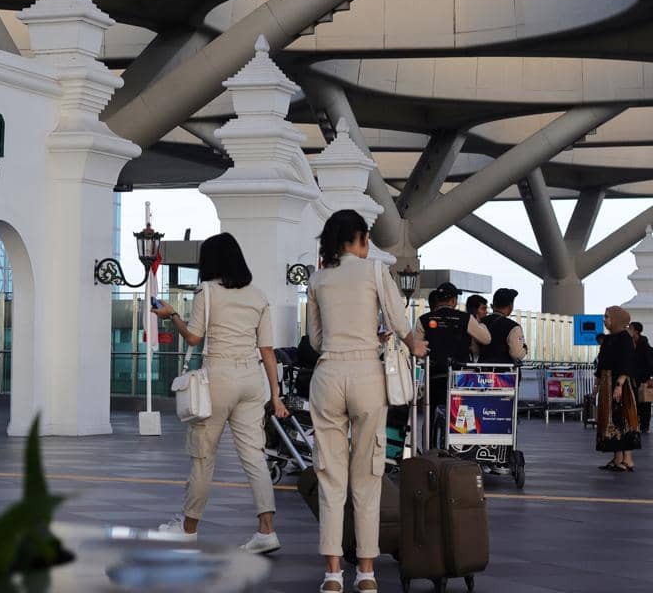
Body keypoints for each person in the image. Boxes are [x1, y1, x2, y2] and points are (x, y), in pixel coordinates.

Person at [306, 210, 428, 593]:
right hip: (366, 376)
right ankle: (366, 572)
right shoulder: (375, 271)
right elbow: (398, 320)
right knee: (368, 477)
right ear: (358, 238)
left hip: (327, 376)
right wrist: (415, 345)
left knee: (329, 477)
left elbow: (314, 339)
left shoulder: (318, 278)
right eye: (365, 240)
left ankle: (331, 573)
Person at [152, 232, 287, 555]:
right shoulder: (258, 296)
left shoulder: (207, 293)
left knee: (203, 457)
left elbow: (195, 338)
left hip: (219, 377)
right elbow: (267, 351)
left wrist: (171, 316)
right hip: (252, 379)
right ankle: (266, 530)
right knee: (255, 456)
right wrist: (276, 396)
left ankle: (187, 529)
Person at [416, 282, 491, 440]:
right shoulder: (465, 318)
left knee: (429, 414)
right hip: (460, 377)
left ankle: (428, 448)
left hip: (434, 375)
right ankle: (460, 448)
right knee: (463, 415)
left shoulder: (423, 320)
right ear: (452, 301)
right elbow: (486, 339)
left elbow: (415, 349)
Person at [595, 306, 640, 472]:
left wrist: (619, 384)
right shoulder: (608, 339)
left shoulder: (624, 338)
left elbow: (627, 363)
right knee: (611, 420)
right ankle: (617, 457)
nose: (605, 320)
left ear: (616, 319)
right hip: (608, 382)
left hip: (620, 384)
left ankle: (628, 459)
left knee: (623, 419)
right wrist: (597, 384)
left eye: (607, 317)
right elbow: (602, 364)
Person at [478, 288, 528, 364]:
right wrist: (525, 348)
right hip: (505, 373)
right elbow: (517, 355)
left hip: (481, 372)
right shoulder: (513, 327)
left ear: (492, 305)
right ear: (511, 306)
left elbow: (474, 349)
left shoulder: (480, 322)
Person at [630, 322, 653, 433]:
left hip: (644, 378)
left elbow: (647, 362)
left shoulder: (643, 346)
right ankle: (640, 425)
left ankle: (643, 425)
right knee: (640, 403)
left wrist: (651, 376)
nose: (629, 330)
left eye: (631, 328)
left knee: (644, 403)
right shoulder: (632, 344)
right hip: (637, 378)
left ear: (636, 331)